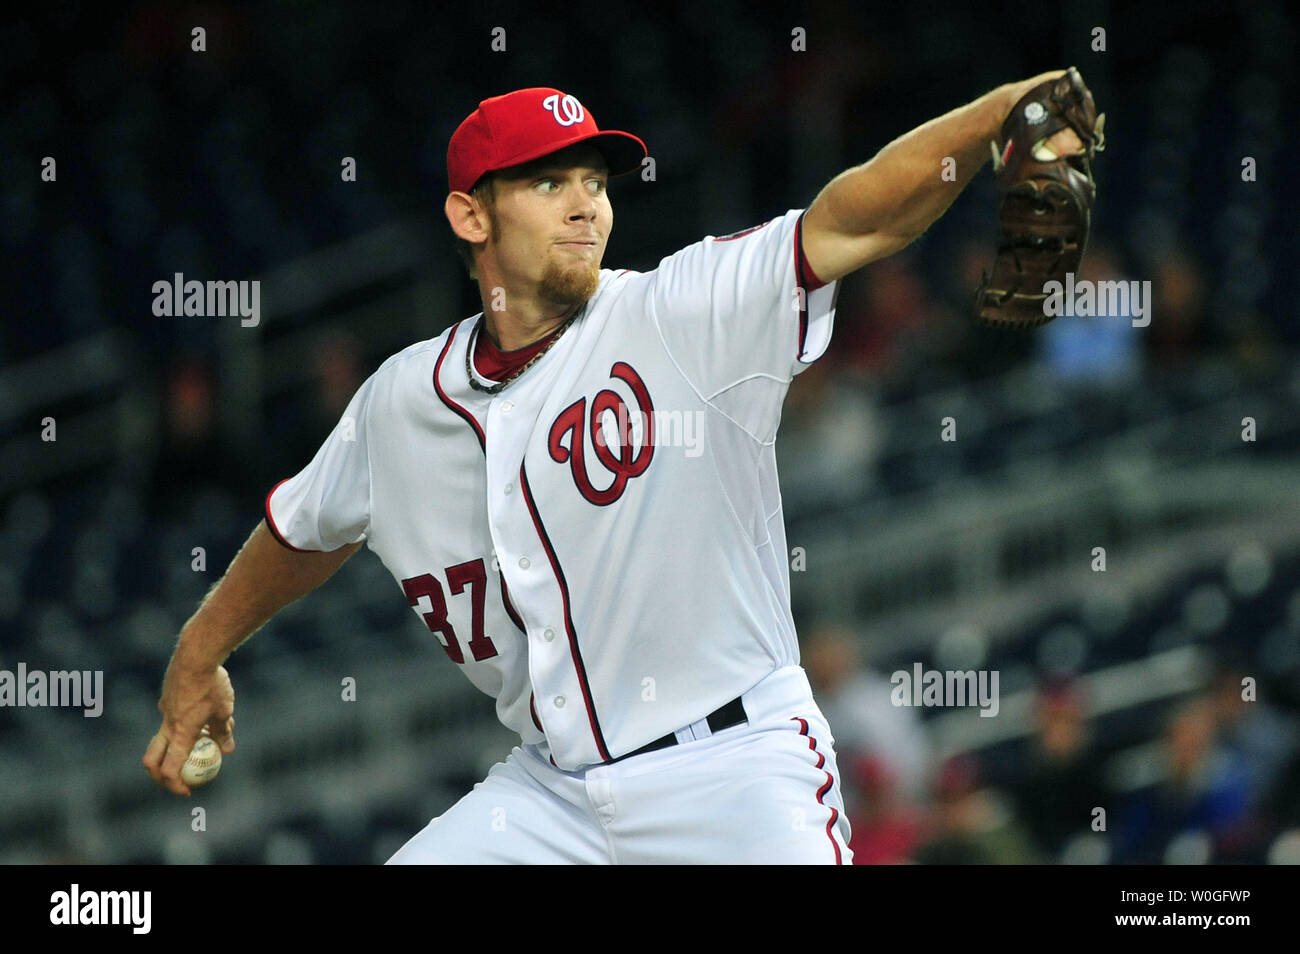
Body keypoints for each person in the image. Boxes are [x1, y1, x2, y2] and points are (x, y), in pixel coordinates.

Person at [144, 76, 1087, 863]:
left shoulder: (678, 316)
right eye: (547, 181)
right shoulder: (400, 402)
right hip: (550, 797)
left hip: (733, 771)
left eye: (593, 178)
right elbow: (305, 529)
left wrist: (1001, 113)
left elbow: (854, 219)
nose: (585, 201)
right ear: (470, 215)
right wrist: (201, 650)